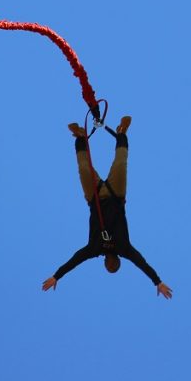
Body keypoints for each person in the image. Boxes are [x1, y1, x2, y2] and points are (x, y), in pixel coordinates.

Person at [42, 116, 173, 299]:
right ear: (118, 261)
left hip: (94, 196)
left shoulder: (94, 249)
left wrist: (57, 276)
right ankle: (121, 133)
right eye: (114, 266)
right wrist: (157, 282)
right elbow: (142, 263)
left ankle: (81, 137)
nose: (111, 264)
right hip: (116, 194)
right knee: (121, 163)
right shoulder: (124, 248)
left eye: (108, 267)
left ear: (104, 262)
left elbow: (75, 260)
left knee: (84, 169)